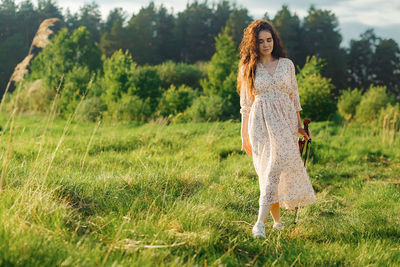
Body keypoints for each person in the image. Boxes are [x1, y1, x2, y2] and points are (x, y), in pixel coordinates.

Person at [237, 19, 317, 239]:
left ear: (274, 40)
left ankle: (259, 224)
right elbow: (245, 106)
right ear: (254, 44)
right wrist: (244, 136)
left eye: (269, 40)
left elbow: (294, 99)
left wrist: (300, 126)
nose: (266, 45)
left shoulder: (287, 65)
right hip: (260, 123)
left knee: (274, 169)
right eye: (261, 41)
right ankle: (277, 222)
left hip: (285, 121)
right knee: (268, 173)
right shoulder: (248, 68)